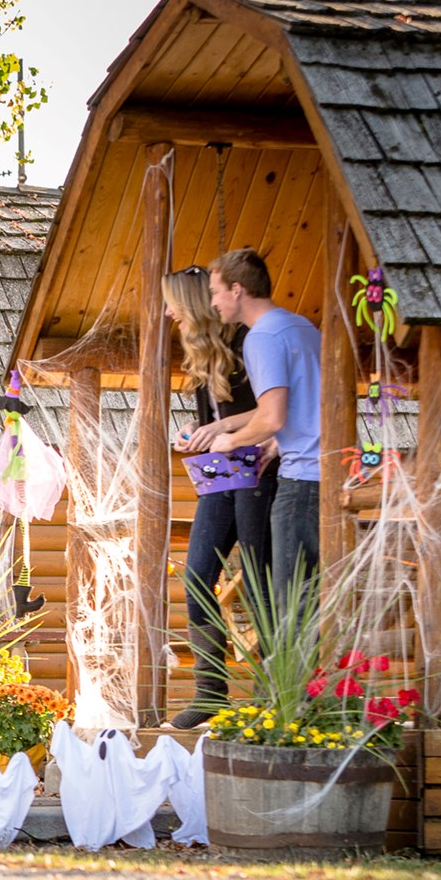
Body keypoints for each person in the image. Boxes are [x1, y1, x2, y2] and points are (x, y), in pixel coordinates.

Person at [162, 265, 276, 728]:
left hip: (261, 470)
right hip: (221, 476)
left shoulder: (248, 347)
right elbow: (211, 420)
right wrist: (194, 430)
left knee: (260, 579)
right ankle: (211, 694)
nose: (169, 312)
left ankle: (275, 692)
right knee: (196, 577)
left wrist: (221, 427)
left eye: (173, 302)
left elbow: (269, 410)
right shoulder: (200, 359)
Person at [202, 247, 324, 615]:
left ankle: (292, 676)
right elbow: (308, 402)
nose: (213, 303)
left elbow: (272, 416)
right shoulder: (302, 326)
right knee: (317, 599)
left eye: (214, 293)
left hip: (301, 480)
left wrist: (231, 440)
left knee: (291, 607)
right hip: (331, 474)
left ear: (236, 290)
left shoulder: (262, 337)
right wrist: (272, 443)